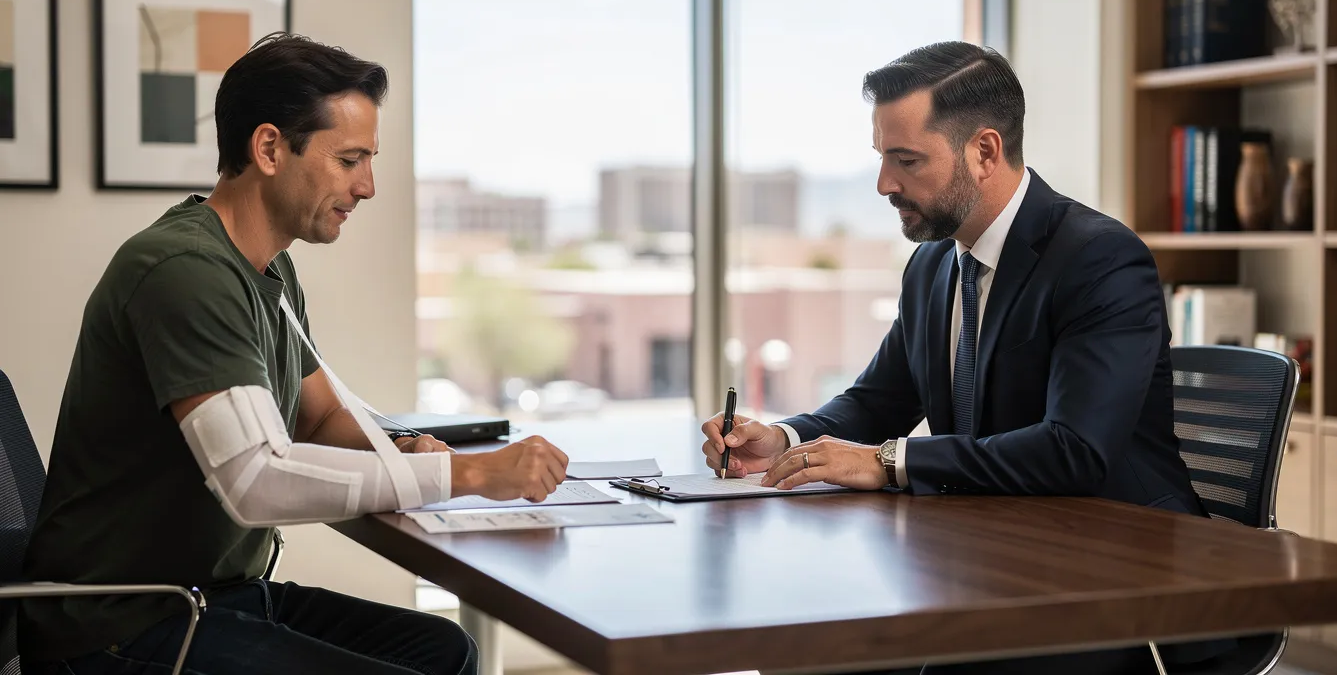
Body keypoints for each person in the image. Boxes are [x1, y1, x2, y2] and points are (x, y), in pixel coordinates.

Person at [20, 33, 570, 674]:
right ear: (271, 148)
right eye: (349, 160)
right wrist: (473, 476)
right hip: (122, 624)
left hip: (217, 599)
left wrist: (404, 447)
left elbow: (317, 418)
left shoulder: (267, 271)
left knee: (445, 651)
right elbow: (255, 480)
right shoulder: (183, 269)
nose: (367, 186)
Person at [700, 41, 1222, 675]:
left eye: (907, 160)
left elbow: (1075, 450)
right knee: (808, 647)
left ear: (984, 152)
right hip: (987, 555)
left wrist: (890, 463)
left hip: (1113, 574)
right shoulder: (933, 265)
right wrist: (784, 440)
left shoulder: (1100, 259)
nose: (884, 184)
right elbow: (880, 399)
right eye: (882, 158)